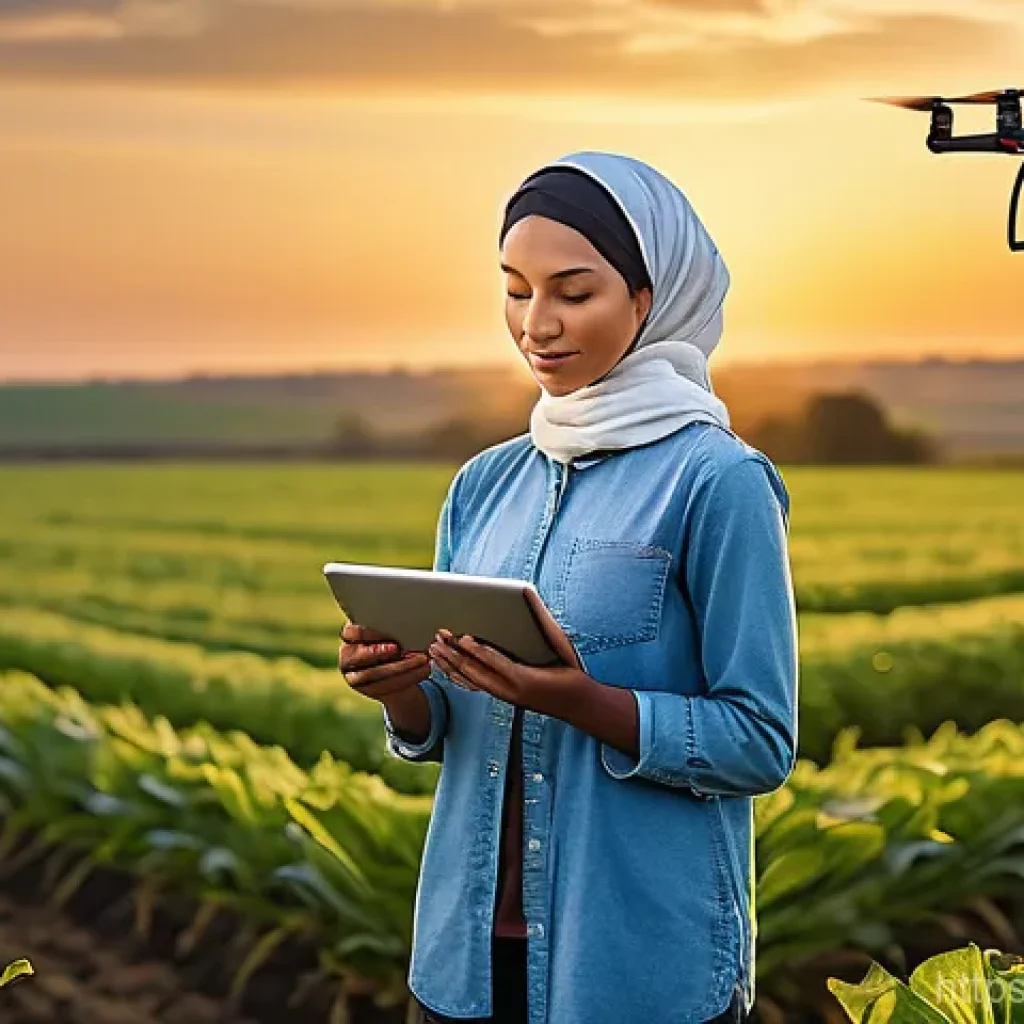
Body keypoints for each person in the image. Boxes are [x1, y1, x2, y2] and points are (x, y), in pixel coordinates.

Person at [338, 150, 799, 1024]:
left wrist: (582, 701)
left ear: (650, 298)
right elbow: (444, 726)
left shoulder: (718, 481)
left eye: (572, 292)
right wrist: (398, 693)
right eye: (516, 290)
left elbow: (759, 742)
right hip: (465, 960)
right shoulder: (485, 483)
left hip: (634, 966)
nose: (536, 324)